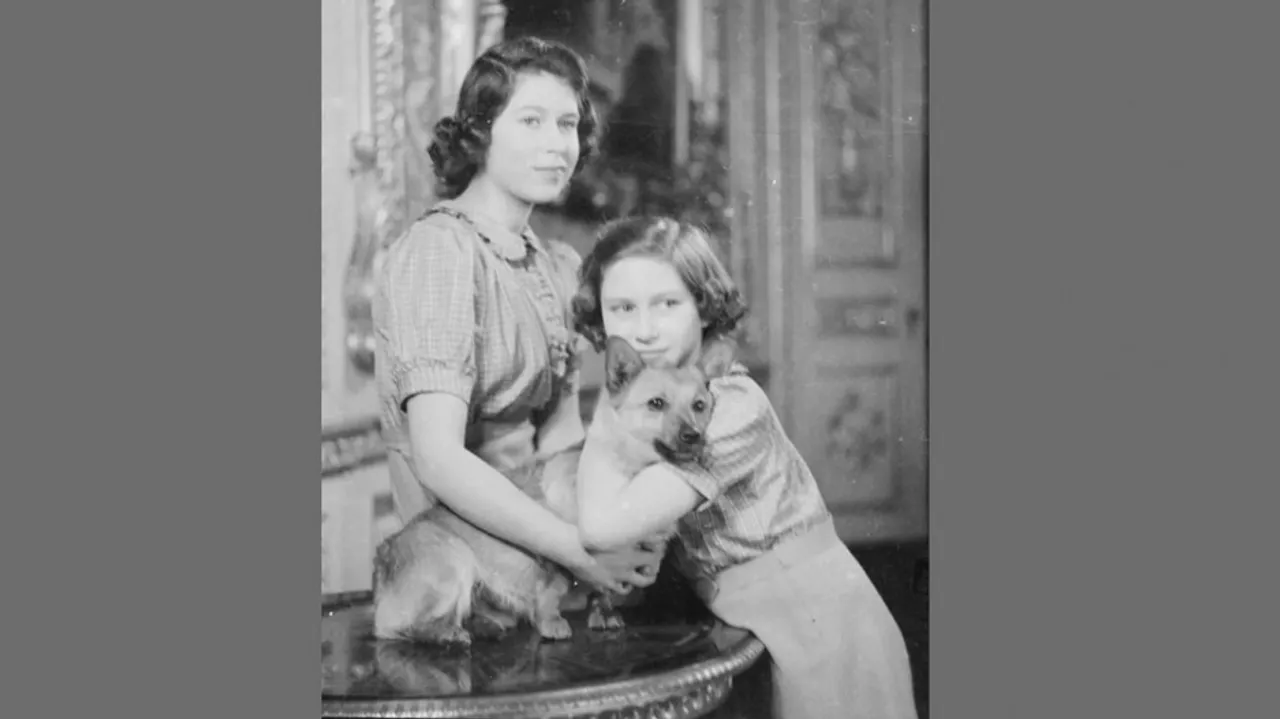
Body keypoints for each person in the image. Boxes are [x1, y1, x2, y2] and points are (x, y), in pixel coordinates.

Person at [570, 216, 919, 719]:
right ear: (600, 320)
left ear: (703, 308)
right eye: (622, 308)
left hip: (826, 626)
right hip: (757, 625)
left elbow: (601, 527)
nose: (643, 330)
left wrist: (608, 417)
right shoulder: (650, 401)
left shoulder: (728, 405)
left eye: (667, 304)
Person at [372, 36, 660, 600]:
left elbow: (562, 438)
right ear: (480, 133)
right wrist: (576, 551)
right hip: (462, 574)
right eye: (531, 121)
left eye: (567, 124)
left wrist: (601, 538)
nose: (558, 145)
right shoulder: (439, 252)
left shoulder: (554, 265)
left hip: (547, 563)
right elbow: (438, 460)